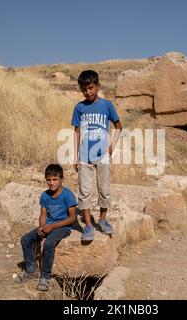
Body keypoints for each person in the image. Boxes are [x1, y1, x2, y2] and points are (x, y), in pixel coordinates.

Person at [71, 70, 123, 241]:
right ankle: (88, 226)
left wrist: (111, 146)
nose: (88, 92)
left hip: (102, 155)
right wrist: (75, 156)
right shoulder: (79, 107)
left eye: (91, 88)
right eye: (84, 89)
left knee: (104, 190)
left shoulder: (107, 105)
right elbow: (77, 132)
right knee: (84, 192)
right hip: (85, 156)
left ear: (98, 86)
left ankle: (102, 220)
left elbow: (118, 126)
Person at [14, 164, 77, 291]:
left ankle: (46, 277)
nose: (51, 183)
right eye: (49, 180)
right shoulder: (45, 195)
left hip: (62, 227)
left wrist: (53, 226)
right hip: (48, 225)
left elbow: (72, 218)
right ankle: (32, 271)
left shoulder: (68, 195)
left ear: (61, 179)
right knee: (25, 239)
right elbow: (43, 214)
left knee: (49, 243)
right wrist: (41, 228)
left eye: (55, 180)